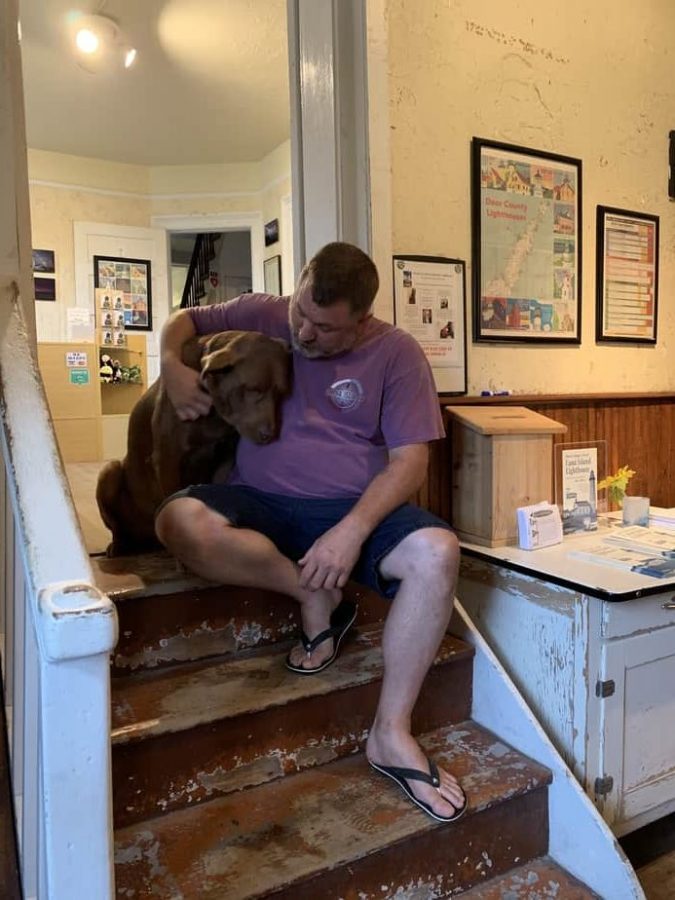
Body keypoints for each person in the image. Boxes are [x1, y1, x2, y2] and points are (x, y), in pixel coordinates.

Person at [155, 241, 466, 823]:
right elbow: (185, 318)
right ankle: (312, 593)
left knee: (438, 551)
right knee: (179, 519)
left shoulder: (398, 355)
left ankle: (390, 733)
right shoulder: (272, 313)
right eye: (301, 312)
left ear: (361, 320)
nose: (303, 332)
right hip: (260, 500)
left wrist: (351, 530)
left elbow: (410, 463)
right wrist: (170, 365)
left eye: (324, 328)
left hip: (353, 508)